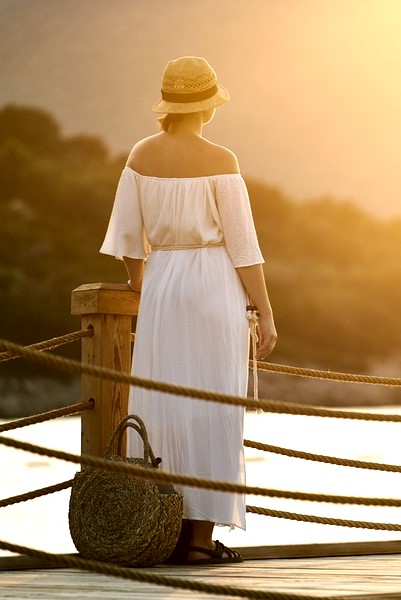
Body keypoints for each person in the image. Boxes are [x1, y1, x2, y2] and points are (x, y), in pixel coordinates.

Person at [100, 56, 277, 565]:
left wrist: (143, 284)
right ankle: (199, 540)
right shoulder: (222, 159)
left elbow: (129, 240)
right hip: (214, 286)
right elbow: (244, 247)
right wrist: (264, 311)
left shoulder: (140, 155)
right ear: (209, 106)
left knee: (161, 406)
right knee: (210, 408)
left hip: (162, 287)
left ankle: (162, 530)